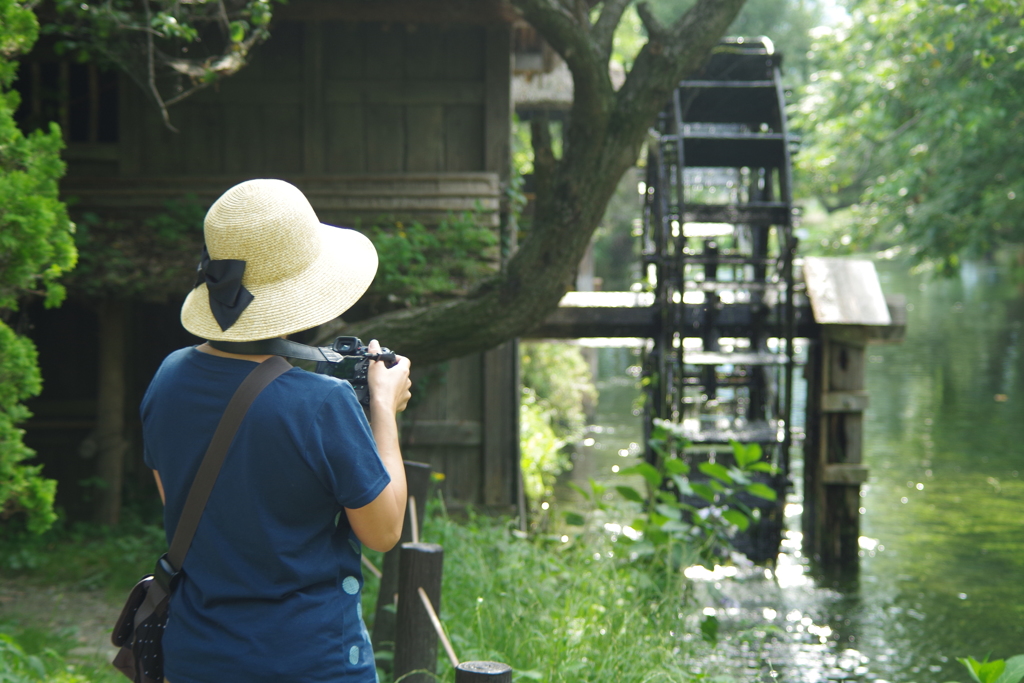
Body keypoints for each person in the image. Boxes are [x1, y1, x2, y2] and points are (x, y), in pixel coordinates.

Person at [141, 178, 411, 683]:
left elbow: (177, 504)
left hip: (197, 658)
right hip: (311, 662)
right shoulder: (321, 404)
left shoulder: (168, 378)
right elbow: (384, 531)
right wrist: (382, 407)